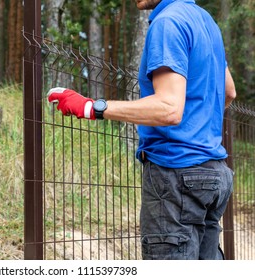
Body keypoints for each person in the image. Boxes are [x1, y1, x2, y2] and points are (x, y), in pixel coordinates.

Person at [47, 0, 237, 260]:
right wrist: (198, 127)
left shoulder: (167, 22)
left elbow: (169, 108)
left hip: (177, 172)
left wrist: (91, 107)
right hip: (214, 173)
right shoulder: (207, 23)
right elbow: (229, 91)